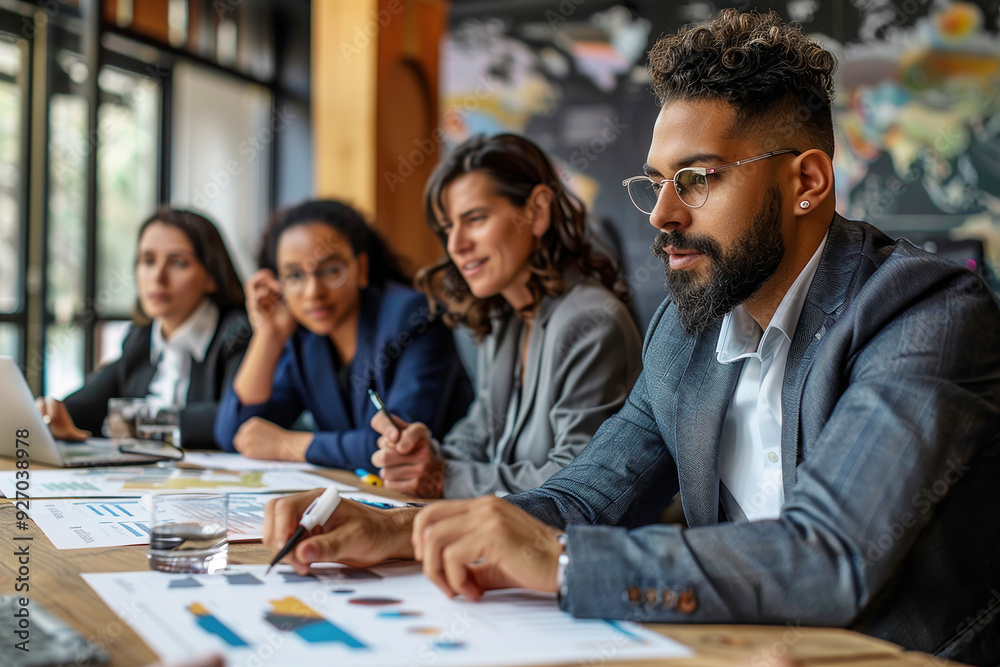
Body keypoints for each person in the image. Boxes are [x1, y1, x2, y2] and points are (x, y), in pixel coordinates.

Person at [264, 10, 1000, 664]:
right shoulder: (685, 331)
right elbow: (588, 497)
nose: (661, 215)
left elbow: (832, 557)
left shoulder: (927, 313)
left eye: (699, 178)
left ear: (807, 182)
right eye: (655, 183)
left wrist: (558, 561)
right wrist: (402, 529)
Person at [368, 133, 642, 498]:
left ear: (538, 210)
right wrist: (428, 457)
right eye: (449, 227)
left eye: (475, 219)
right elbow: (481, 432)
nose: (456, 245)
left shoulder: (591, 322)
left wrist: (442, 477)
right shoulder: (504, 318)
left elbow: (575, 484)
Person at [213, 199, 472, 469]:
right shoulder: (305, 339)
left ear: (361, 268)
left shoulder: (411, 316)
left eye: (330, 270)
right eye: (295, 276)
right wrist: (268, 336)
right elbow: (235, 435)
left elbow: (400, 446)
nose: (313, 292)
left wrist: (287, 445)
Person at [37, 208, 250, 449]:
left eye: (178, 263)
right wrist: (47, 414)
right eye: (148, 261)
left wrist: (127, 422)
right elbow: (86, 406)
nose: (157, 277)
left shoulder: (239, 333)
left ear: (213, 276)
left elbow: (229, 419)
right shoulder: (139, 337)